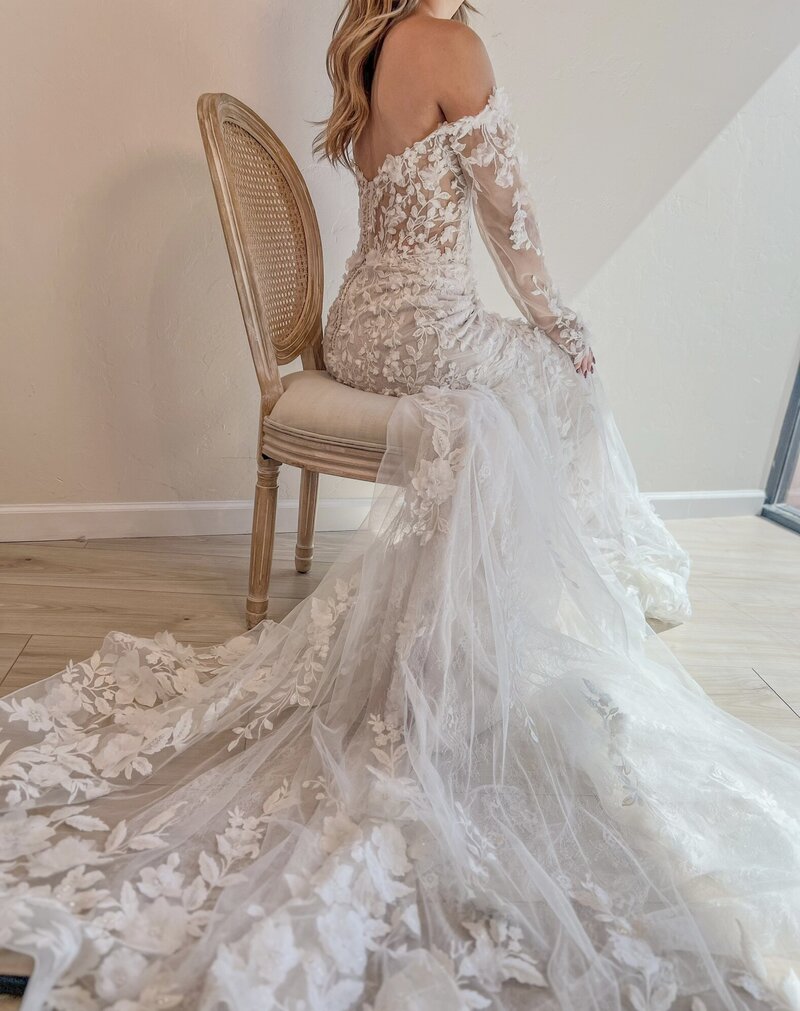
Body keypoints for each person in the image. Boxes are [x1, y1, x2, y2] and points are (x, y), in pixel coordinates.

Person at [1, 3, 799, 1009]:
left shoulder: (378, 41)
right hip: (422, 328)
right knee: (560, 386)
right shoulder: (449, 42)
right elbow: (510, 225)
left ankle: (493, 614)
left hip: (363, 325)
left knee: (526, 393)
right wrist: (562, 323)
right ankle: (491, 636)